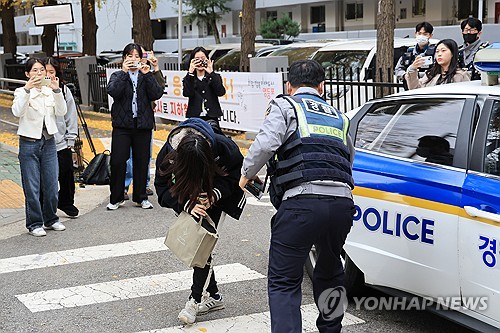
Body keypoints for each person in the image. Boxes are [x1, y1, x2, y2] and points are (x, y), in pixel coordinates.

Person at [239, 60, 355, 333]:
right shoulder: (340, 116)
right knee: (331, 271)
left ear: (289, 86)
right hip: (341, 204)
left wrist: (245, 175)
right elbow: (347, 158)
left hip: (302, 204)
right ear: (322, 87)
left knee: (283, 281)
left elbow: (266, 144)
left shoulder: (286, 105)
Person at [155, 118, 246, 325]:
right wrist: (186, 205)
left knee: (203, 248)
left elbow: (238, 175)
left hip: (218, 194)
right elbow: (161, 187)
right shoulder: (169, 154)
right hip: (186, 197)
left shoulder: (224, 147)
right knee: (200, 245)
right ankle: (214, 297)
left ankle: (194, 301)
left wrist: (214, 194)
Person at [11, 58, 68, 236]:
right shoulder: (21, 91)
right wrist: (28, 89)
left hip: (49, 141)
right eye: (34, 71)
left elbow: (62, 111)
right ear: (27, 74)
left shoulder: (50, 91)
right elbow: (17, 112)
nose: (38, 74)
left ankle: (51, 219)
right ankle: (35, 223)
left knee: (51, 184)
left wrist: (57, 91)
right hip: (29, 142)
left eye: (41, 70)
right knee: (32, 186)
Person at [106, 43, 163, 210]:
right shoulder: (117, 75)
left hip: (143, 125)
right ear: (124, 58)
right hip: (122, 126)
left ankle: (141, 197)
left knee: (141, 161)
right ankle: (116, 198)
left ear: (141, 59)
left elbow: (156, 94)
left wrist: (148, 74)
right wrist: (124, 72)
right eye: (129, 56)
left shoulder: (145, 76)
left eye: (136, 56)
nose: (133, 59)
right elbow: (113, 92)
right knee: (117, 161)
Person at [124, 48, 165, 200]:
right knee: (126, 157)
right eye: (132, 56)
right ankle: (124, 185)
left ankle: (144, 184)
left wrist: (155, 68)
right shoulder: (126, 73)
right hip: (127, 122)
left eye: (140, 56)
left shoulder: (147, 73)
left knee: (145, 155)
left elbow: (159, 89)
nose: (136, 59)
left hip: (146, 120)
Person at [44, 57, 80, 218]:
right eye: (44, 72)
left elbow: (70, 116)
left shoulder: (64, 90)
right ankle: (46, 207)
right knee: (46, 178)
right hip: (43, 142)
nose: (48, 75)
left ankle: (66, 202)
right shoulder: (35, 91)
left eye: (51, 72)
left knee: (66, 174)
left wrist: (70, 139)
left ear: (57, 74)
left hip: (61, 142)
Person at [183, 47, 226, 125]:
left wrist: (211, 73)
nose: (200, 61)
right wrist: (190, 72)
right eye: (197, 59)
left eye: (202, 58)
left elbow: (220, 92)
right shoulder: (189, 78)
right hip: (195, 117)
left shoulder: (214, 76)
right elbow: (187, 93)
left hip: (211, 117)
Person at [405, 39, 470, 90]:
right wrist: (413, 69)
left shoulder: (461, 75)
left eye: (443, 50)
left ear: (452, 53)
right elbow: (415, 89)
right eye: (437, 51)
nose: (439, 54)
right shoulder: (431, 74)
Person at [394, 22, 436, 88]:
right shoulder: (409, 52)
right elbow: (398, 69)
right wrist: (405, 75)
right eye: (419, 33)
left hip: (428, 88)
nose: (421, 36)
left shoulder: (435, 51)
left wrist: (420, 76)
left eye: (425, 34)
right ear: (415, 34)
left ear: (430, 35)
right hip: (410, 89)